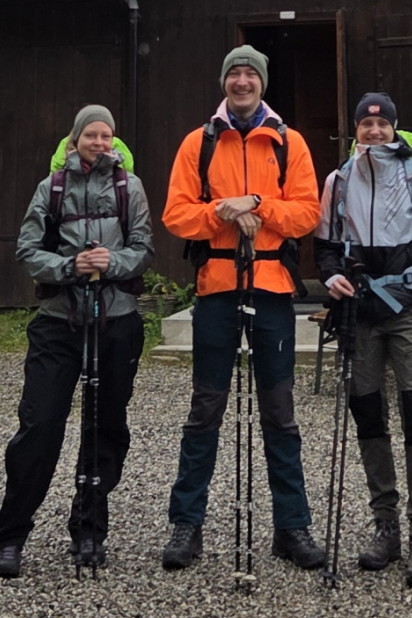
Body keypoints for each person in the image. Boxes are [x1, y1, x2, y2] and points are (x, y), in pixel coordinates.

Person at [159, 44, 326, 571]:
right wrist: (222, 213)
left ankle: (291, 526)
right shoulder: (199, 142)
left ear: (263, 82)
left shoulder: (288, 141)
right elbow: (176, 216)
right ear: (223, 81)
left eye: (250, 72)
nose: (242, 80)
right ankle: (187, 526)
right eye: (233, 71)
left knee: (279, 411)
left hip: (273, 285)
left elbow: (307, 213)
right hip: (216, 286)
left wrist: (256, 205)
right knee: (205, 408)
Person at [0, 105, 154, 578]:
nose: (100, 143)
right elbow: (27, 249)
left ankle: (89, 529)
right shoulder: (51, 188)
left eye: (107, 136)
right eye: (91, 135)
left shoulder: (130, 188)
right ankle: (11, 536)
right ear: (75, 138)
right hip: (58, 322)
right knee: (39, 426)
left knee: (105, 428)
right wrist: (69, 267)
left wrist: (112, 262)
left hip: (116, 321)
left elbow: (143, 249)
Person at [315, 93, 412, 588]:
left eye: (382, 123)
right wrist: (331, 278)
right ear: (355, 129)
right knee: (368, 417)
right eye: (366, 123)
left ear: (395, 128)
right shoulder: (338, 181)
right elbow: (326, 247)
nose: (374, 130)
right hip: (360, 314)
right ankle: (386, 526)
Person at [50, 133, 134, 174]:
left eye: (105, 136)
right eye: (89, 135)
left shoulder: (117, 143)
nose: (98, 143)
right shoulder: (66, 143)